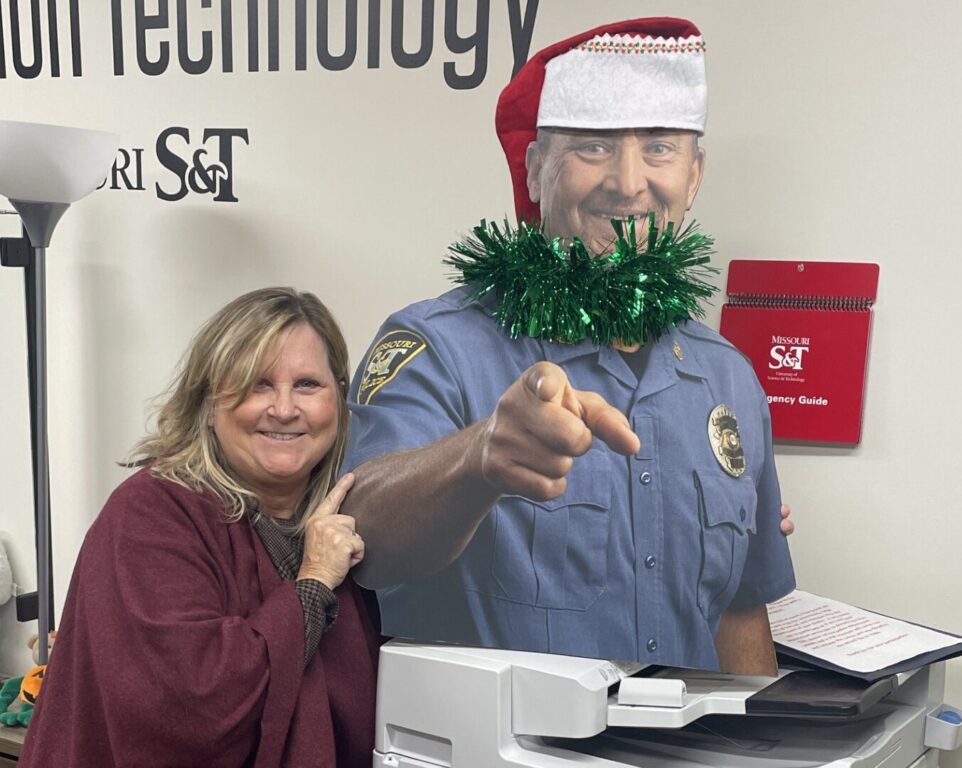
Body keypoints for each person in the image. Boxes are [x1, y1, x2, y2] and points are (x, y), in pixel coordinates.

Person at [338, 17, 796, 674]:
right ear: (534, 171)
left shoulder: (729, 378)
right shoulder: (436, 346)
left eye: (659, 148)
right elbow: (361, 539)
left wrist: (764, 730)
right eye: (593, 146)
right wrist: (478, 459)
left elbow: (738, 609)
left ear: (694, 176)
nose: (628, 182)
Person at [20, 288, 379, 768]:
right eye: (257, 384)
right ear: (209, 404)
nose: (284, 408)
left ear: (339, 397)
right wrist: (313, 583)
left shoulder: (351, 522)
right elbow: (188, 709)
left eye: (308, 384)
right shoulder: (149, 513)